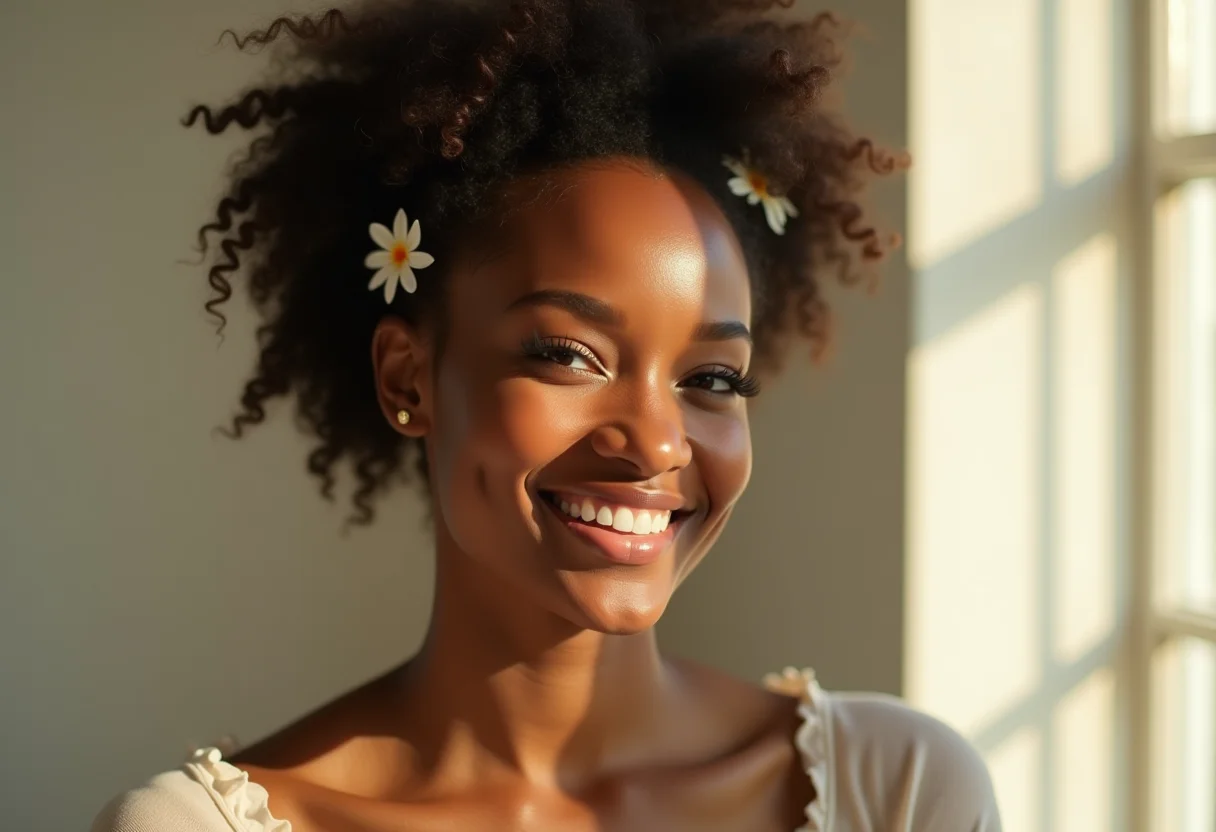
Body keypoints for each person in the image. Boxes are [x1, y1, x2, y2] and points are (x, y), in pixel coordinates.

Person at [92, 1, 1001, 829]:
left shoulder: (900, 791)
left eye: (714, 378)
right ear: (408, 379)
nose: (656, 441)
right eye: (569, 355)